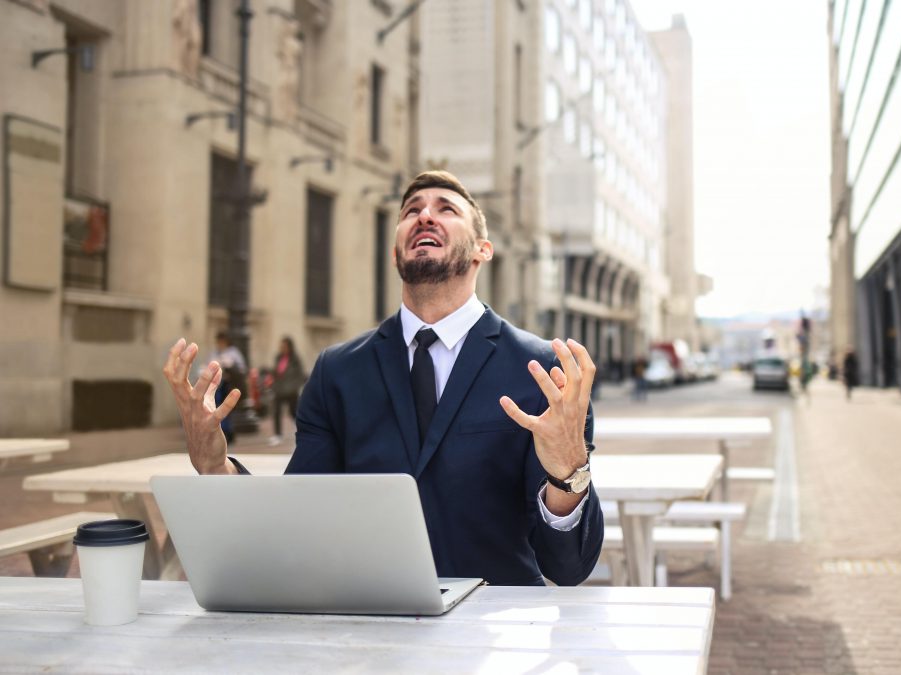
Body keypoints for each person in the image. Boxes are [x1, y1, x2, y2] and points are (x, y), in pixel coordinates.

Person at [162, 171, 603, 586]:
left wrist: (568, 470)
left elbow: (567, 566)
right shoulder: (337, 371)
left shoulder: (545, 372)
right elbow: (296, 520)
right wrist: (214, 467)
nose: (425, 215)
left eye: (446, 209)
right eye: (411, 210)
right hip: (369, 629)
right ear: (395, 253)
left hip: (494, 636)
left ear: (482, 250)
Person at [207, 331, 247, 443]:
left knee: (227, 409)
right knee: (216, 408)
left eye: (222, 341)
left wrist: (230, 366)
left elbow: (241, 368)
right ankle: (219, 431)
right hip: (216, 386)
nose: (220, 344)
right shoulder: (214, 353)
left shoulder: (233, 353)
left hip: (228, 385)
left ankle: (228, 432)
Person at [267, 336, 306, 445]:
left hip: (291, 391)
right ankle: (277, 435)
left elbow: (300, 375)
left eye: (284, 346)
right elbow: (276, 372)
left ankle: (302, 432)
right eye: (281, 346)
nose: (282, 348)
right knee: (276, 412)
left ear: (289, 347)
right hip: (279, 389)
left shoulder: (295, 359)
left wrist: (294, 387)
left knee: (294, 413)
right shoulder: (278, 357)